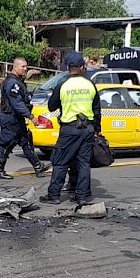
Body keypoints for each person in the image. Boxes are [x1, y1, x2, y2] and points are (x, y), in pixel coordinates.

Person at [40, 51, 101, 205]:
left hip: (69, 129)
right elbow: (97, 110)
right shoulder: (90, 85)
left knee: (60, 162)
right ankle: (81, 196)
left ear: (68, 68)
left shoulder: (62, 85)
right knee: (83, 163)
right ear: (82, 67)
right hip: (87, 129)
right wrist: (97, 129)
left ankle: (53, 195)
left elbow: (51, 106)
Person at [0, 57, 50, 181]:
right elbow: (17, 104)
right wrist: (31, 116)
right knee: (5, 145)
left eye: (26, 66)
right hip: (10, 119)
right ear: (15, 67)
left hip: (17, 120)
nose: (25, 69)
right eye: (22, 66)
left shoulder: (18, 81)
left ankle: (38, 166)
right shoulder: (12, 84)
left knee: (26, 143)